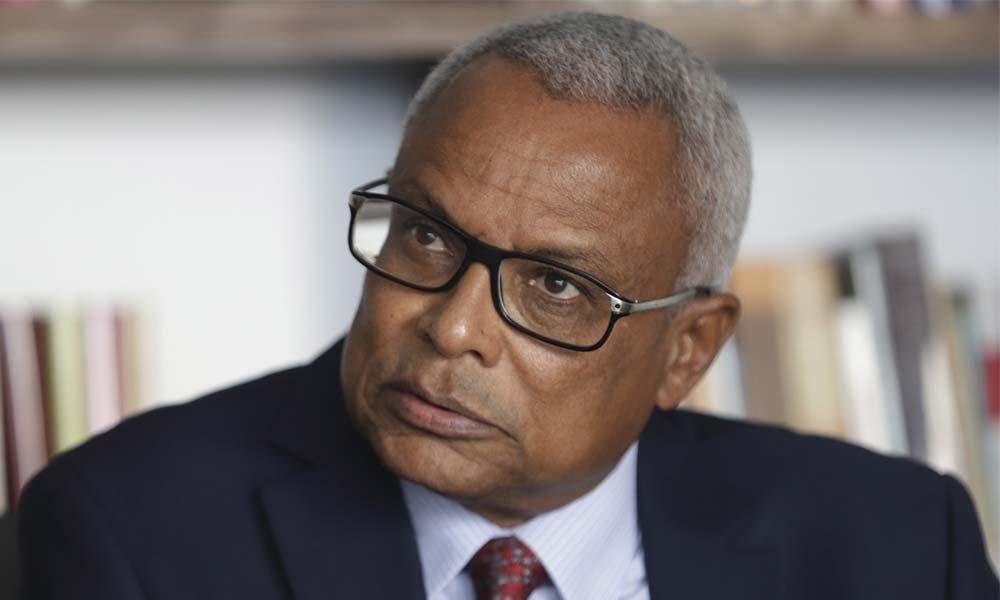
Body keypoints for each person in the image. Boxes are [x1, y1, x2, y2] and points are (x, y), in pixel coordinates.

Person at [16, 12, 998, 600]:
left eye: (556, 287)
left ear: (687, 351)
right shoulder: (128, 534)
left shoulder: (902, 549)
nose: (451, 328)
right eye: (425, 236)